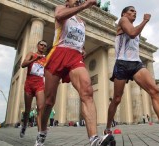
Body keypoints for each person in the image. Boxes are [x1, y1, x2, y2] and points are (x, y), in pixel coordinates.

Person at [35, 1, 115, 146]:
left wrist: (82, 49)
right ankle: (42, 132)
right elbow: (59, 16)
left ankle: (94, 139)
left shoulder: (82, 22)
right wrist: (84, 6)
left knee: (87, 92)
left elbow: (79, 40)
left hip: (75, 56)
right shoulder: (61, 8)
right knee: (49, 101)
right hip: (59, 53)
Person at [104, 6, 159, 138]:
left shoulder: (135, 27)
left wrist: (141, 24)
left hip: (136, 64)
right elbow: (131, 33)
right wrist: (145, 21)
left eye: (135, 11)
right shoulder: (123, 20)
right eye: (131, 10)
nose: (134, 12)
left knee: (154, 91)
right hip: (122, 64)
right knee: (117, 99)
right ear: (124, 13)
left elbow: (134, 35)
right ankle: (108, 127)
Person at [20, 40, 47, 138]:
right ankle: (24, 126)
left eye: (45, 46)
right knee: (27, 110)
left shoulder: (46, 59)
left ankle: (40, 134)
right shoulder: (31, 54)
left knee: (40, 108)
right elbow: (23, 64)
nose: (43, 47)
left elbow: (46, 72)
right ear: (37, 45)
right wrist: (34, 59)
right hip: (29, 84)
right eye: (41, 45)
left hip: (39, 84)